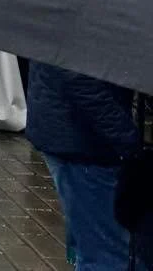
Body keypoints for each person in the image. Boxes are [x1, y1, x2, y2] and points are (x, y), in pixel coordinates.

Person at [26, 61, 143, 270]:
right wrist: (126, 137)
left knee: (93, 245)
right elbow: (77, 78)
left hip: (78, 135)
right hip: (86, 142)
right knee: (105, 254)